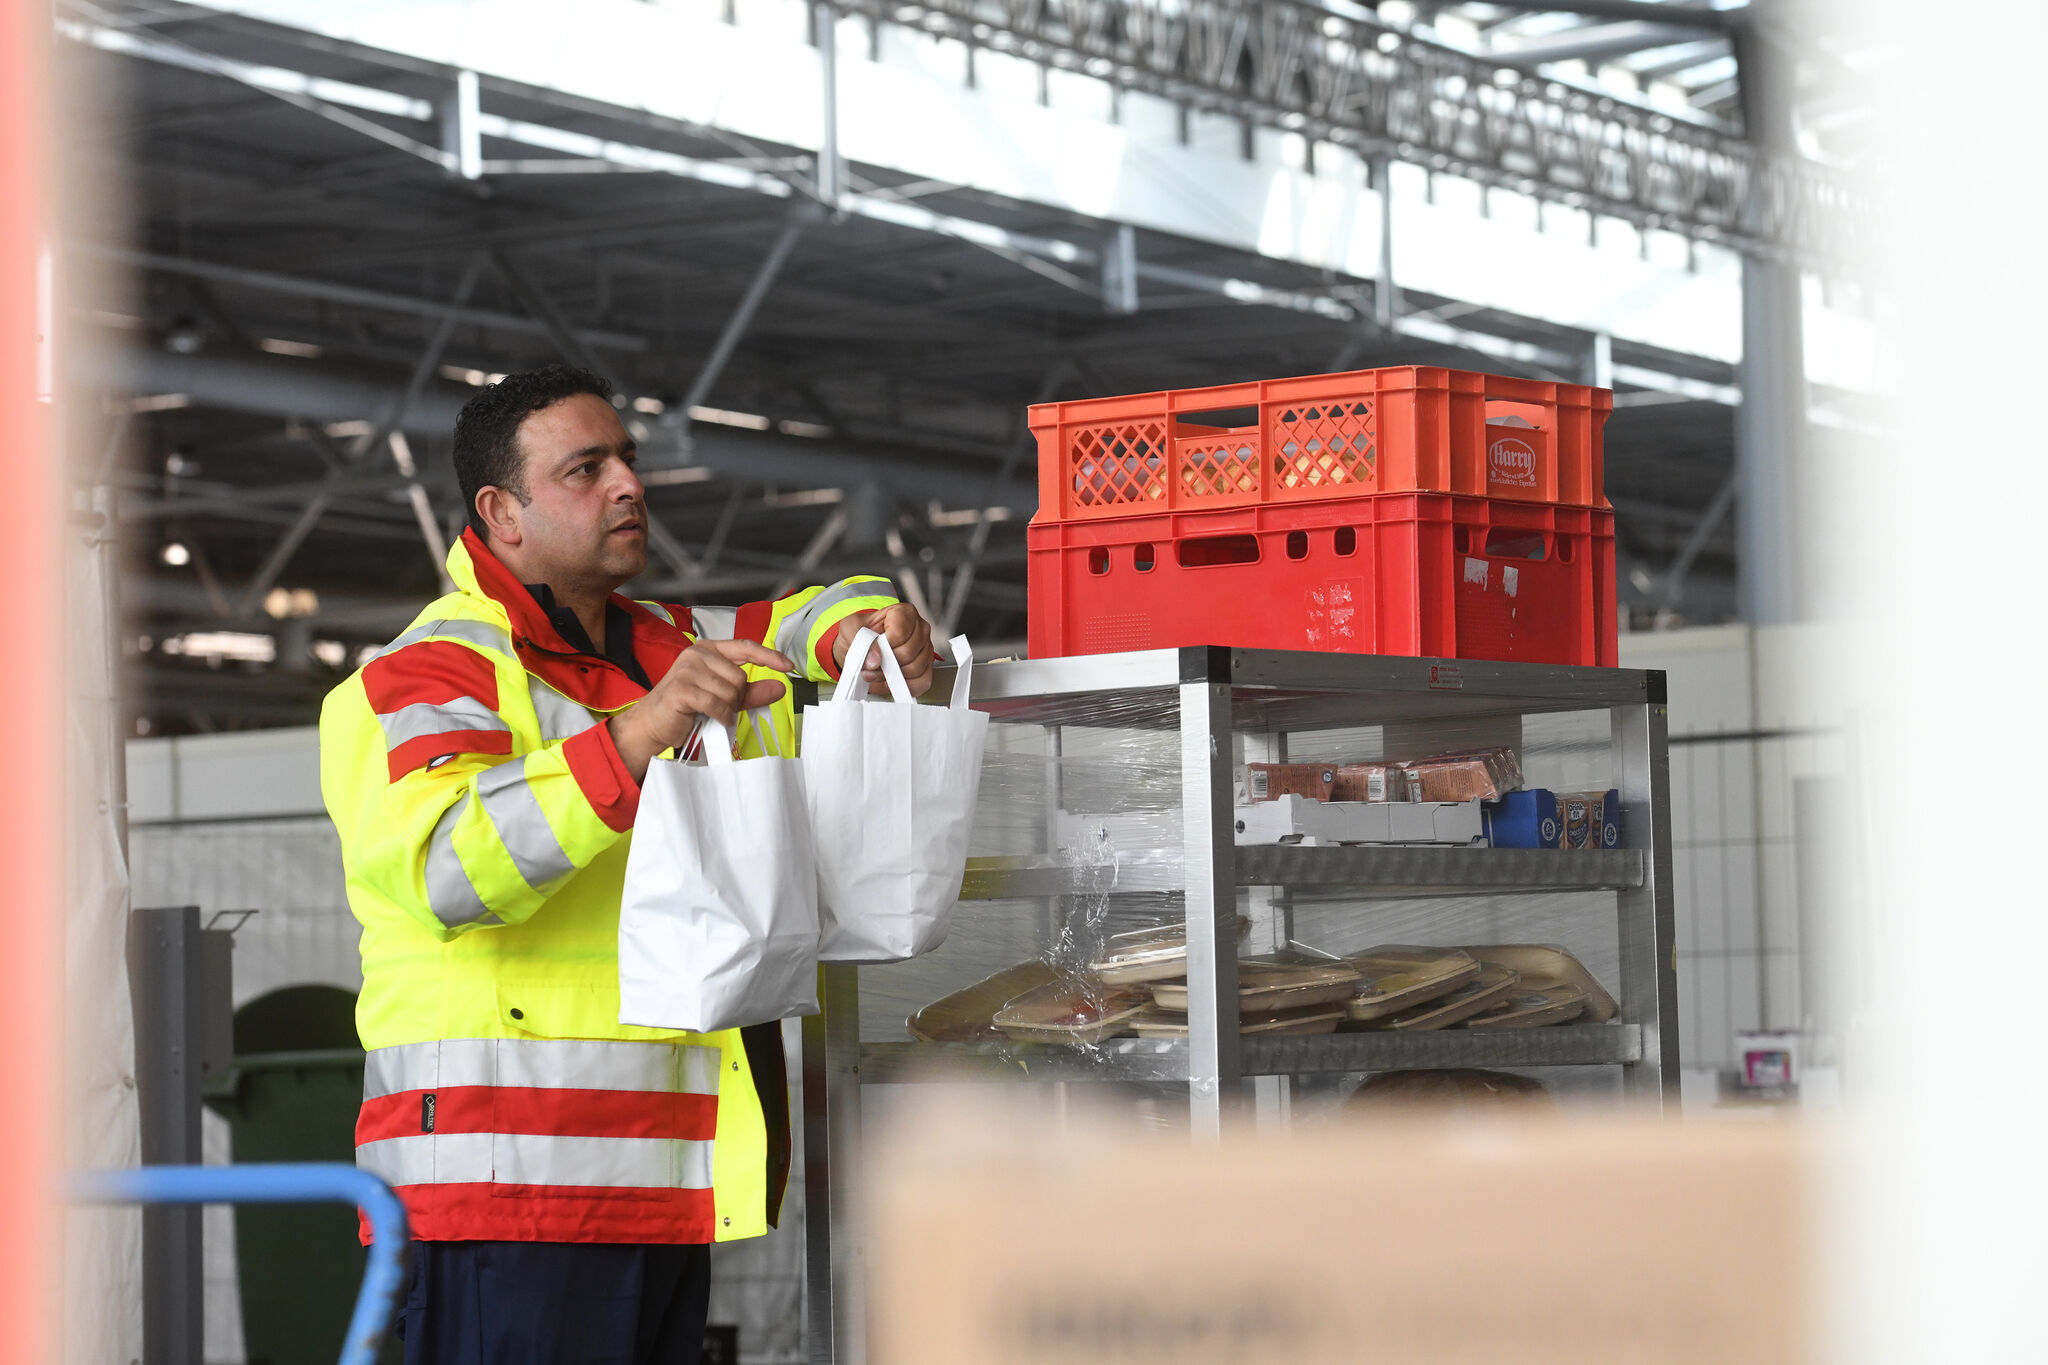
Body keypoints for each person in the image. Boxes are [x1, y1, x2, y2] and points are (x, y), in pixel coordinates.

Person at [319, 364, 933, 1365]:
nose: (628, 486)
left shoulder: (672, 648)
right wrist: (637, 736)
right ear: (499, 513)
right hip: (505, 1190)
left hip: (656, 1183)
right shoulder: (429, 672)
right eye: (584, 469)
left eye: (628, 462)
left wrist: (866, 622)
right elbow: (446, 869)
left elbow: (813, 617)